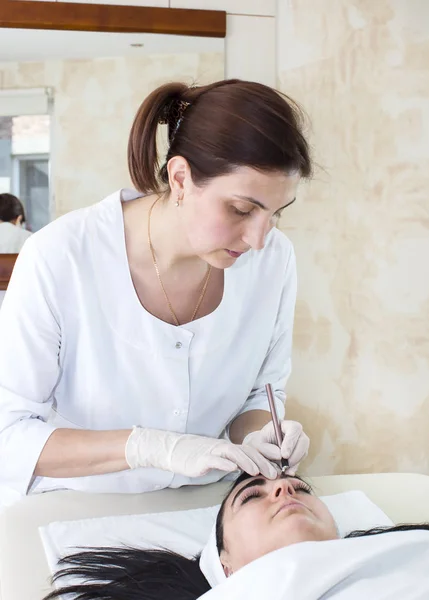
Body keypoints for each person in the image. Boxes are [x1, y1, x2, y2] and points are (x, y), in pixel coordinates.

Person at [0, 79, 311, 506]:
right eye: (241, 210)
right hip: (77, 504)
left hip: (202, 506)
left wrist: (263, 436)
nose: (259, 238)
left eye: (276, 214)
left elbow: (261, 394)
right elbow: (9, 435)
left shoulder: (274, 260)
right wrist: (147, 447)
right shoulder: (59, 258)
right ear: (180, 178)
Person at [42, 471, 429, 600]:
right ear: (225, 566)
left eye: (300, 487)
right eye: (252, 496)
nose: (285, 489)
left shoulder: (409, 550)